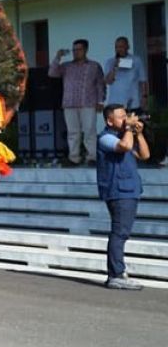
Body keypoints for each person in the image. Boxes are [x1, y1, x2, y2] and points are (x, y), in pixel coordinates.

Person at [97, 104, 150, 290]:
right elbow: (124, 146)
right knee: (119, 233)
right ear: (109, 120)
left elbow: (144, 155)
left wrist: (139, 133)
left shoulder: (125, 135)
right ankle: (116, 274)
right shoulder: (105, 138)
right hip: (118, 191)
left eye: (125, 115)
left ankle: (117, 272)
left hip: (130, 190)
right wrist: (129, 129)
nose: (125, 119)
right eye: (120, 117)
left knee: (122, 232)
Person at [49, 39, 106, 166]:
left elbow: (100, 84)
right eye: (74, 50)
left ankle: (92, 157)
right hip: (69, 103)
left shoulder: (94, 66)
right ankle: (74, 158)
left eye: (79, 50)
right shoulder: (66, 66)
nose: (76, 52)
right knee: (72, 132)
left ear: (85, 50)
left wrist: (100, 101)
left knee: (89, 131)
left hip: (88, 103)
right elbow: (52, 73)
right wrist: (58, 56)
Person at [102, 36, 148, 111]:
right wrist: (115, 67)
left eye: (121, 46)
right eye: (116, 47)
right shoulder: (110, 62)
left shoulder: (136, 60)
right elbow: (108, 81)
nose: (118, 49)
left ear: (128, 47)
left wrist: (144, 97)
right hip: (115, 104)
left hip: (133, 103)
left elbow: (143, 81)